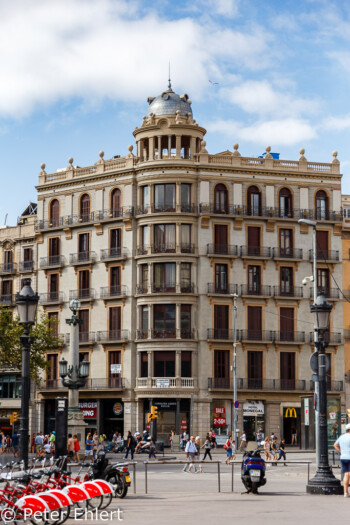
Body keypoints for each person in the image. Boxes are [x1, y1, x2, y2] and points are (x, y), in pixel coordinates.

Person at [334, 423, 350, 497]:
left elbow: (335, 445)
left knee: (346, 474)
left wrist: (341, 452)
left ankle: (345, 492)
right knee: (348, 474)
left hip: (343, 457)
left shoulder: (341, 437)